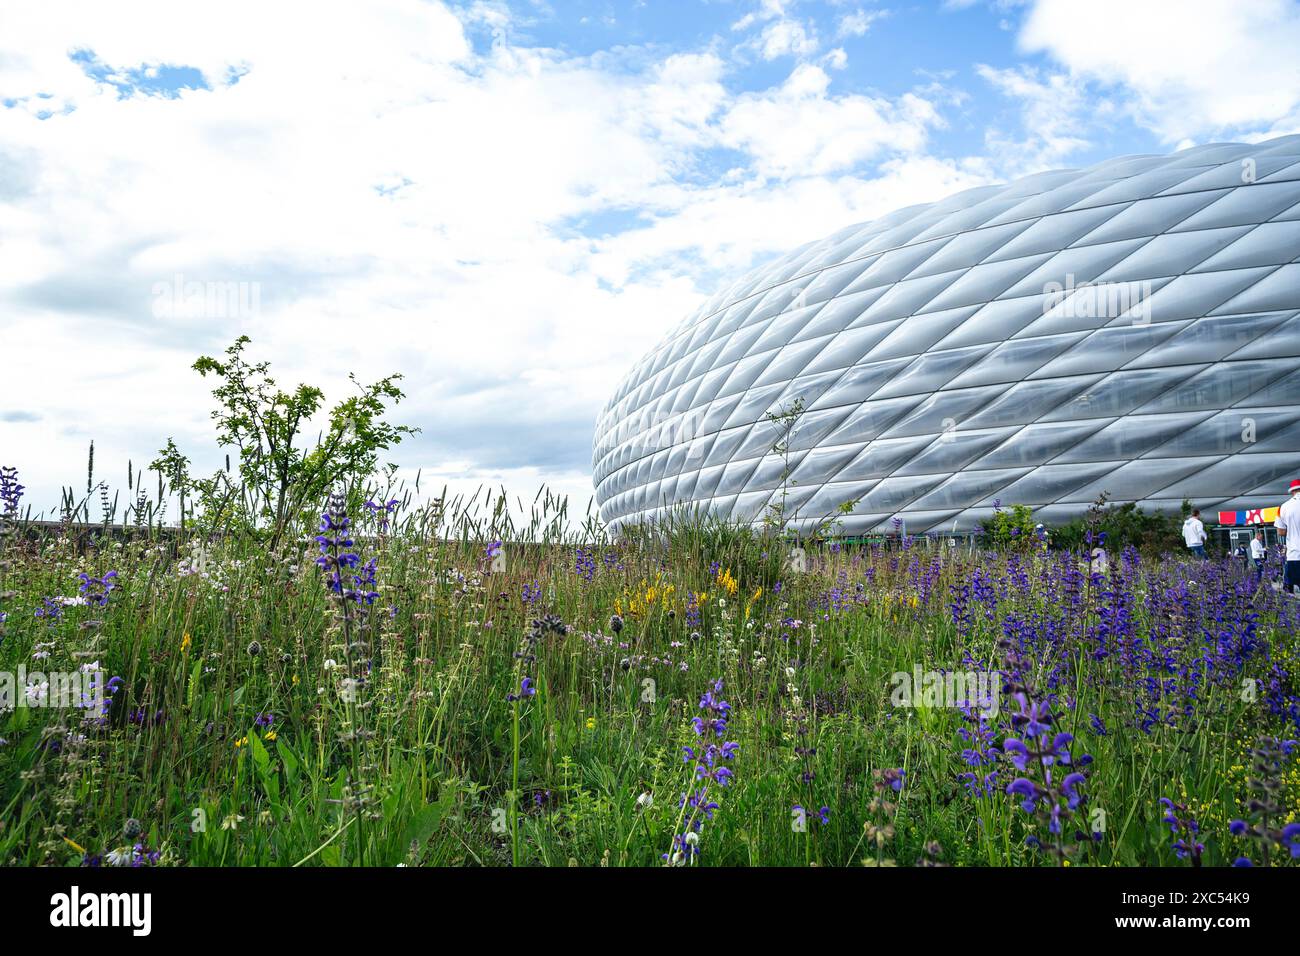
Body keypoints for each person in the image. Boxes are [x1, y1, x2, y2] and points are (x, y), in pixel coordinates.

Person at [1275, 479, 1300, 595]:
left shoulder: (1283, 507)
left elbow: (1280, 532)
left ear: (1292, 491)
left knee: (1291, 590)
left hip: (1295, 555)